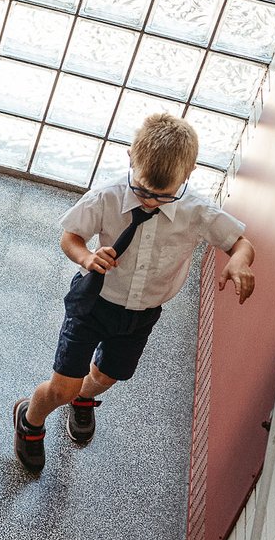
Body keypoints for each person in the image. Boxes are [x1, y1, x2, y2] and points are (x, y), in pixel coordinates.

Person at [13, 112, 257, 477]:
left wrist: (239, 261)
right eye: (142, 190)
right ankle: (30, 421)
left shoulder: (197, 211)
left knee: (107, 377)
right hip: (93, 301)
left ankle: (84, 397)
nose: (149, 203)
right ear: (131, 157)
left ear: (189, 172)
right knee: (62, 388)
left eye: (163, 195)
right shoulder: (107, 196)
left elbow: (241, 243)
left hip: (143, 312)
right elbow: (70, 236)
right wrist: (87, 256)